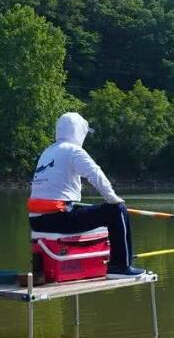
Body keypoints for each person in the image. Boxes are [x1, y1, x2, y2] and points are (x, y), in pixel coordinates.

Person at [27, 112, 144, 277]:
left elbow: (54, 192)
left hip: (36, 221)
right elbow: (95, 174)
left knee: (99, 210)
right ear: (78, 131)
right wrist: (114, 199)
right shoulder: (73, 151)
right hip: (58, 219)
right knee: (117, 210)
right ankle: (120, 267)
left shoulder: (47, 152)